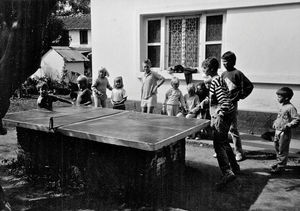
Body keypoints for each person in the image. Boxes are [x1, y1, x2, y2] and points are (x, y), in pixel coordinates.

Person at [202, 57, 240, 188]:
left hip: (222, 117)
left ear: (211, 69)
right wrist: (205, 102)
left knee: (218, 145)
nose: (203, 70)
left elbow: (225, 101)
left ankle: (227, 172)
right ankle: (235, 167)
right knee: (224, 143)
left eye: (205, 67)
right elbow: (217, 96)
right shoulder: (217, 80)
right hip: (225, 116)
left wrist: (219, 115)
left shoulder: (215, 81)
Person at [221, 51, 253, 162]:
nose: (224, 64)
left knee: (233, 129)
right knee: (223, 128)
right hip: (223, 104)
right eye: (223, 61)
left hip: (233, 104)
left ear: (233, 62)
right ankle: (223, 151)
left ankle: (239, 152)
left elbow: (249, 86)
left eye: (226, 61)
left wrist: (239, 96)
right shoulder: (223, 74)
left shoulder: (237, 73)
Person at [271, 87, 300, 173]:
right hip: (277, 130)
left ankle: (281, 166)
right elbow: (280, 117)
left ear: (286, 98)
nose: (278, 98)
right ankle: (279, 161)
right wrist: (275, 122)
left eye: (279, 97)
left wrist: (288, 125)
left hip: (285, 132)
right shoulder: (282, 106)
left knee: (283, 149)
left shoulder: (291, 107)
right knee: (277, 147)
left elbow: (296, 119)